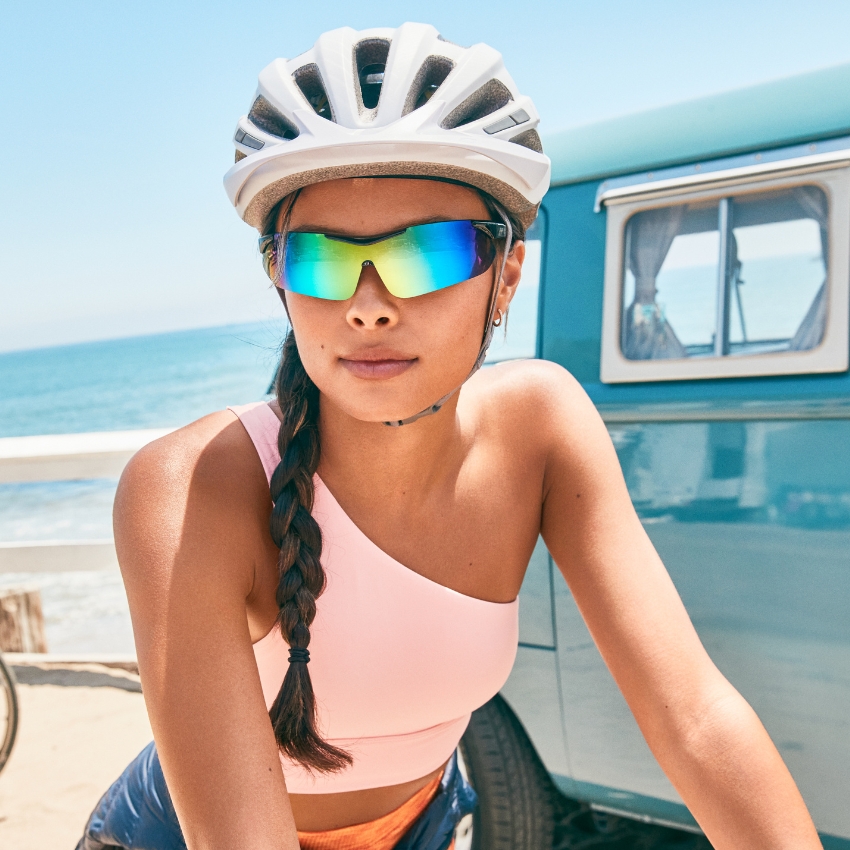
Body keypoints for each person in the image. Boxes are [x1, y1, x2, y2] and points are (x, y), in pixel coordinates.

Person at [77, 22, 821, 850]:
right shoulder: (187, 488)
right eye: (322, 260)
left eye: (426, 254)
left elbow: (695, 718)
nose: (367, 305)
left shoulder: (540, 428)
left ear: (507, 275)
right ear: (279, 278)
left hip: (428, 824)